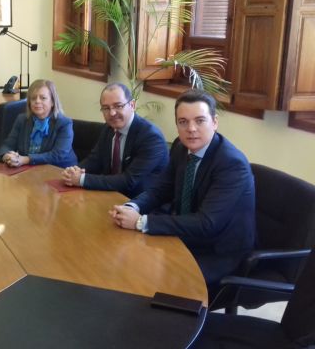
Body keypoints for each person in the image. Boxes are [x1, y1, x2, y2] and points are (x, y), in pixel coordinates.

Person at [109, 89, 255, 293]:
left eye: (200, 120)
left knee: (156, 283)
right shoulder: (180, 147)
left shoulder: (231, 164)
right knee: (125, 261)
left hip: (218, 251)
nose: (191, 129)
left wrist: (141, 221)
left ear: (214, 122)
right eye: (183, 122)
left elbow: (207, 223)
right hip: (186, 236)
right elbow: (160, 190)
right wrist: (132, 206)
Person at [61, 82, 169, 198]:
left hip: (140, 204)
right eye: (106, 108)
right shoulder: (109, 128)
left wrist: (81, 179)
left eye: (118, 106)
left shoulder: (151, 138)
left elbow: (128, 180)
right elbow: (95, 160)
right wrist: (74, 171)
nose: (112, 113)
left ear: (132, 105)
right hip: (110, 195)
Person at [0, 79, 77, 168]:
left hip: (59, 170)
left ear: (52, 102)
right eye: (33, 98)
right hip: (29, 169)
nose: (37, 101)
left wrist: (25, 159)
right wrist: (7, 156)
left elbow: (57, 155)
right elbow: (7, 145)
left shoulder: (64, 123)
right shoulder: (22, 119)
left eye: (43, 98)